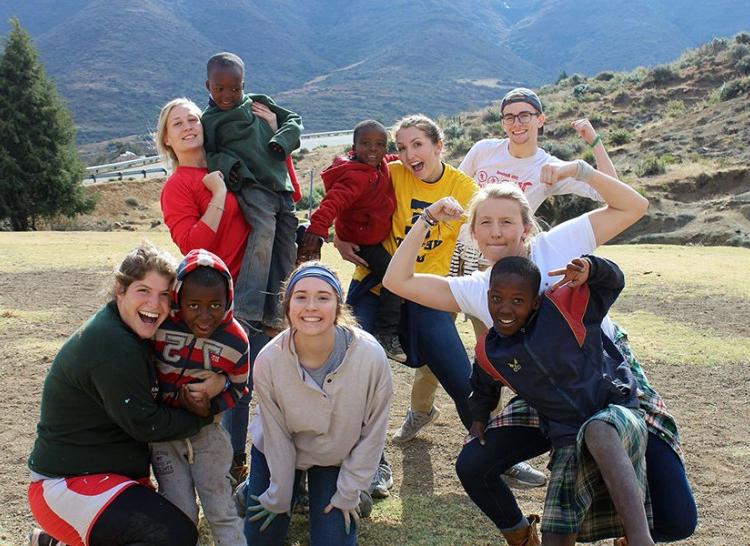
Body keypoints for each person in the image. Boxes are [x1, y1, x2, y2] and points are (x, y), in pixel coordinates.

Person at [383, 178, 697, 542]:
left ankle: (629, 534)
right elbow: (398, 280)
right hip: (546, 397)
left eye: (507, 222)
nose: (496, 232)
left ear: (527, 226)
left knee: (677, 521)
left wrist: (581, 170)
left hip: (606, 382)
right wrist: (428, 218)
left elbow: (634, 206)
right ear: (472, 232)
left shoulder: (559, 243)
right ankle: (521, 536)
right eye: (485, 222)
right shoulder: (476, 288)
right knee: (474, 463)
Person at [398, 86, 616, 448]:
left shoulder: (548, 166)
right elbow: (451, 186)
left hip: (507, 277)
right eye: (509, 116)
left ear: (540, 120)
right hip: (458, 263)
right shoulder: (484, 150)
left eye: (525, 115)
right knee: (436, 345)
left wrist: (593, 143)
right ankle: (421, 410)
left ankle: (494, 430)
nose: (517, 123)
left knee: (496, 356)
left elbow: (609, 190)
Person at [27, 243, 224, 546]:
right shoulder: (113, 343)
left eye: (164, 295)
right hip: (66, 484)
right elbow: (146, 423)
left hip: (100, 478)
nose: (155, 304)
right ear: (120, 289)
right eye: (143, 291)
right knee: (173, 536)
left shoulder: (130, 330)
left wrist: (220, 381)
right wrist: (204, 415)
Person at [464, 254, 652, 545]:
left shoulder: (564, 308)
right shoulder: (491, 350)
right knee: (556, 537)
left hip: (616, 413)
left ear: (535, 301)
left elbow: (614, 281)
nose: (504, 308)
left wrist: (592, 267)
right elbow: (483, 385)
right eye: (497, 298)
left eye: (517, 301)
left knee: (597, 429)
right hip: (567, 434)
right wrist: (478, 420)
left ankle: (641, 540)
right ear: (488, 296)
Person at [242, 262, 392, 545]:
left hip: (335, 456)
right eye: (300, 297)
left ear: (338, 306)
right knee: (261, 537)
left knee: (333, 538)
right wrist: (278, 494)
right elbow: (276, 434)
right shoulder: (268, 360)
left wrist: (349, 490)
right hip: (279, 451)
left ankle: (354, 493)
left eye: (323, 297)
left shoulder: (370, 356)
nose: (311, 306)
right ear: (287, 306)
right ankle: (255, 487)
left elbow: (373, 433)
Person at [157, 96, 266, 484]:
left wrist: (271, 130)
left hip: (259, 285)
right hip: (221, 299)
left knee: (263, 379)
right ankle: (233, 466)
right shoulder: (177, 186)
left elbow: (276, 186)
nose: (188, 127)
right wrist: (217, 196)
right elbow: (192, 244)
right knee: (240, 385)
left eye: (192, 119)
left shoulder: (225, 163)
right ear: (167, 140)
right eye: (177, 124)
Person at [150, 248, 249, 545]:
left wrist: (212, 405)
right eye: (193, 304)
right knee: (181, 510)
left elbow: (240, 387)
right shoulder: (160, 327)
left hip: (208, 434)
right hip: (165, 436)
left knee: (220, 507)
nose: (205, 316)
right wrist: (170, 399)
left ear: (229, 298)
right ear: (178, 297)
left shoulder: (236, 339)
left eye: (215, 305)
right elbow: (142, 374)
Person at [202, 51, 303, 333]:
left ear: (243, 85)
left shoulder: (259, 103)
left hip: (280, 185)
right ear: (207, 86)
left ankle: (279, 312)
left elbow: (294, 119)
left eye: (235, 88)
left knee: (287, 246)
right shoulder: (209, 121)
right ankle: (246, 311)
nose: (227, 95)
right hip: (251, 186)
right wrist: (232, 166)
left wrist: (280, 140)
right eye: (219, 88)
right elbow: (208, 155)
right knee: (263, 235)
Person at [297, 119, 405, 361]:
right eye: (365, 144)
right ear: (354, 147)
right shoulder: (355, 177)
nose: (373, 149)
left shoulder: (379, 165)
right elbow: (332, 202)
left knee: (376, 276)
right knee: (394, 276)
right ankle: (387, 333)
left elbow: (388, 161)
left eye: (379, 144)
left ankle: (351, 310)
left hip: (372, 236)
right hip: (362, 240)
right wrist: (316, 233)